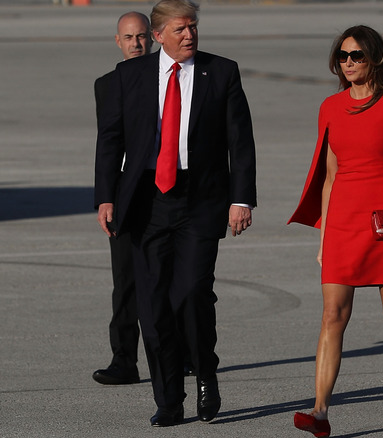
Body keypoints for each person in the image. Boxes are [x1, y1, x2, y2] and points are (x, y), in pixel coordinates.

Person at [94, 0, 257, 426]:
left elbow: (240, 141)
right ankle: (168, 399)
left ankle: (205, 373)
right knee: (152, 307)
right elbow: (110, 138)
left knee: (191, 294)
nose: (190, 35)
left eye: (194, 28)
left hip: (200, 201)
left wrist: (242, 199)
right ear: (160, 34)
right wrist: (105, 196)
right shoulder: (129, 76)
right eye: (181, 29)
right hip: (146, 202)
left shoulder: (220, 72)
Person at [289, 25, 383, 437]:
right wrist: (324, 235)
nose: (348, 63)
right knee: (333, 314)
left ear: (375, 59)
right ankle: (319, 410)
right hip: (345, 221)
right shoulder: (331, 106)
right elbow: (329, 176)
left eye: (357, 56)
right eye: (342, 57)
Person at [91, 11, 152, 386]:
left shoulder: (170, 80)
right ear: (118, 41)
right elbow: (108, 143)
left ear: (154, 38)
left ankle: (188, 356)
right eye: (129, 37)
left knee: (177, 281)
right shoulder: (107, 84)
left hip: (165, 190)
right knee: (125, 280)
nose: (136, 43)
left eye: (142, 36)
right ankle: (124, 360)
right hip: (126, 195)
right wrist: (105, 197)